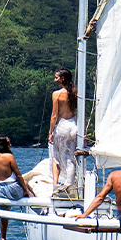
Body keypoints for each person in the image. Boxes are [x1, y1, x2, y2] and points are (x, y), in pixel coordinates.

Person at [45, 70, 82, 199]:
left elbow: (54, 115)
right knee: (70, 157)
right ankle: (70, 184)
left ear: (63, 79)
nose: (55, 80)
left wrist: (50, 132)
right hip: (74, 125)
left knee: (57, 157)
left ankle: (58, 185)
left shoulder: (57, 94)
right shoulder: (76, 92)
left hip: (62, 126)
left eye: (56, 78)